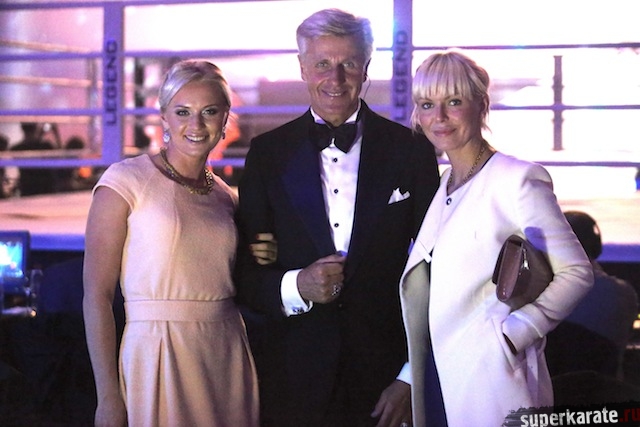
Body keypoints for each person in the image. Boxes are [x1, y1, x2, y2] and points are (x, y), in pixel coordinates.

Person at [235, 8, 440, 427]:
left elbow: (438, 271)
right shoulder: (267, 155)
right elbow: (246, 277)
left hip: (387, 378)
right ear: (302, 68)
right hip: (294, 379)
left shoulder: (411, 150)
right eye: (323, 64)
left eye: (348, 63)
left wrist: (410, 376)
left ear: (366, 67)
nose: (336, 78)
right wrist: (298, 286)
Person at [399, 49, 594, 427]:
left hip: (493, 380)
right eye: (427, 104)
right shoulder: (446, 183)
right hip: (441, 378)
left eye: (454, 101)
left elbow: (576, 272)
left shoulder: (515, 180)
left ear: (481, 105)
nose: (439, 117)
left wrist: (513, 335)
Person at [83, 60, 261, 427]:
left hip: (226, 352)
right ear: (163, 116)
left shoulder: (225, 196)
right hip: (157, 352)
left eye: (209, 111)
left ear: (225, 118)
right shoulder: (125, 181)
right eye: (183, 112)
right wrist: (107, 396)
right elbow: (96, 296)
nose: (196, 124)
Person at [546, 210, 638, 379]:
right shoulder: (624, 294)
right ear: (596, 246)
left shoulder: (537, 293)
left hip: (551, 392)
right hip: (604, 392)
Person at [10, 122, 56, 196]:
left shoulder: (16, 149)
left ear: (22, 129)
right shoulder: (46, 146)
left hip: (27, 188)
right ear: (35, 129)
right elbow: (57, 160)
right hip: (46, 187)